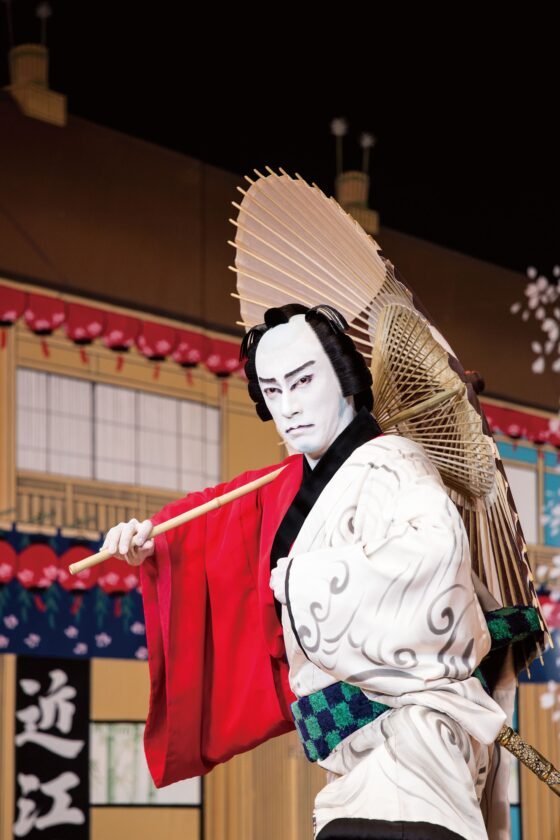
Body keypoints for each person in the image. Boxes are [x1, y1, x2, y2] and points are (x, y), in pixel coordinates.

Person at [102, 304, 510, 840]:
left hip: (415, 746)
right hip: (350, 753)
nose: (288, 407)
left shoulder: (395, 462)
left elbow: (434, 556)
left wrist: (300, 581)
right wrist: (151, 541)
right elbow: (211, 527)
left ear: (345, 379)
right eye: (272, 391)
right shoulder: (288, 484)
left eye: (302, 381)